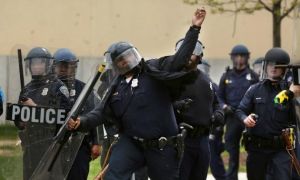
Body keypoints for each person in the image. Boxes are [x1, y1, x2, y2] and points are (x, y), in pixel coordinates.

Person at [67, 8, 206, 180]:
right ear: (115, 65)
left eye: (128, 55)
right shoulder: (116, 87)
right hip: (131, 143)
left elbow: (179, 59)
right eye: (121, 60)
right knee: (113, 176)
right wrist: (81, 122)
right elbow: (100, 113)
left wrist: (194, 29)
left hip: (162, 146)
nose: (126, 61)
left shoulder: (154, 69)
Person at [235, 47, 296, 180]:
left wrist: (292, 93)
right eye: (270, 64)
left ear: (284, 69)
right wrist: (245, 119)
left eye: (277, 66)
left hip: (281, 149)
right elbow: (240, 110)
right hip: (257, 148)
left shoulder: (290, 91)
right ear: (265, 66)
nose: (273, 68)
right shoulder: (254, 89)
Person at [16, 47, 70, 180]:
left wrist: (34, 107)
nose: (36, 66)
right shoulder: (26, 89)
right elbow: (18, 120)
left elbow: (63, 118)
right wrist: (21, 121)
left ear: (47, 64)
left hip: (51, 145)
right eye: (33, 63)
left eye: (40, 62)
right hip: (30, 145)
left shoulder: (58, 87)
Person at [173, 41, 224, 180]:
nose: (189, 55)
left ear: (200, 56)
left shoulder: (206, 80)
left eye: (193, 51)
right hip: (181, 139)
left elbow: (216, 102)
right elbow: (160, 104)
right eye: (185, 51)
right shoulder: (171, 78)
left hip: (203, 141)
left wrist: (219, 112)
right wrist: (176, 106)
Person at [53, 48, 101, 180]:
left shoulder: (85, 90)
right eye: (60, 65)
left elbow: (96, 115)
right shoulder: (48, 89)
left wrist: (97, 142)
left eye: (67, 65)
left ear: (74, 67)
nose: (64, 69)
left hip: (79, 145)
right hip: (53, 145)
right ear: (54, 66)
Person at [217, 44, 259, 180]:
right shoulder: (226, 76)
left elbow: (259, 95)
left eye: (242, 56)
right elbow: (219, 96)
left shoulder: (253, 76)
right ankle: (231, 177)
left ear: (247, 58)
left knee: (252, 149)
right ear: (232, 58)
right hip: (232, 117)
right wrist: (224, 107)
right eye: (237, 56)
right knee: (232, 150)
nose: (239, 59)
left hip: (248, 118)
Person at [198, 60, 226, 180]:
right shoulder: (187, 83)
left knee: (214, 161)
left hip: (212, 129)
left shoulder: (212, 85)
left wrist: (217, 125)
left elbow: (218, 106)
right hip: (195, 131)